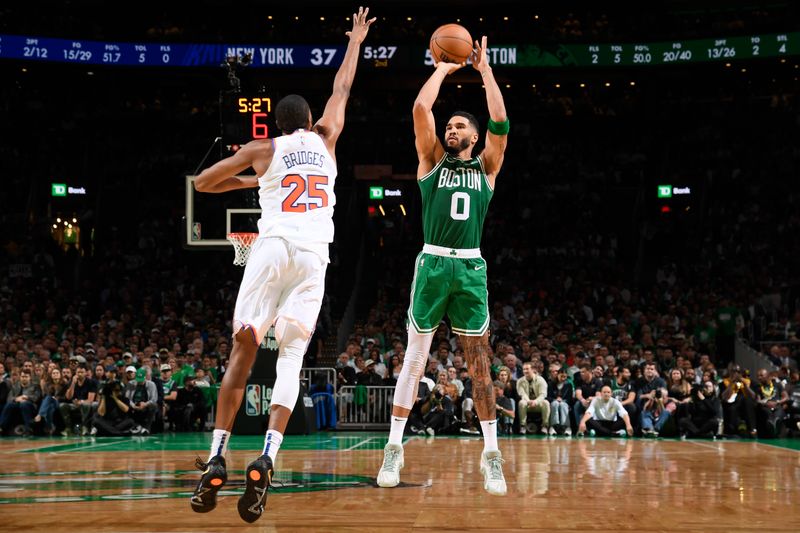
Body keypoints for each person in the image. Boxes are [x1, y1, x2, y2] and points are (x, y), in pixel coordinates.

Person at [190, 8, 375, 523]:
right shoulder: (327, 139)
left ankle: (216, 456)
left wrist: (251, 179)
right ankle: (269, 454)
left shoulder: (262, 148)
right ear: (311, 119)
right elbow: (342, 86)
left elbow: (203, 183)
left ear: (275, 124)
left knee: (242, 354)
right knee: (291, 358)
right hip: (315, 257)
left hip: (271, 250)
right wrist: (356, 39)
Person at [378, 34, 510, 495]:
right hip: (433, 262)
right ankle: (394, 448)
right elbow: (419, 110)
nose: (450, 130)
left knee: (479, 362)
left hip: (471, 268)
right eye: (448, 126)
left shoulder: (487, 167)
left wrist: (485, 72)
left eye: (458, 127)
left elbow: (500, 120)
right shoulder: (431, 159)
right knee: (414, 360)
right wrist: (444, 68)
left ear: (474, 138)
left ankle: (491, 454)